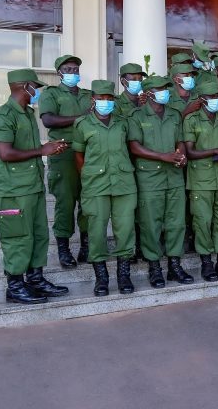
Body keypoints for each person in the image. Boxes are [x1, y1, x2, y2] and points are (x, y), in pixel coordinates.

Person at [0, 69, 70, 304]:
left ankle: (35, 279)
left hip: (32, 186)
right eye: (34, 87)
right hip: (14, 190)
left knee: (38, 235)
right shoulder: (3, 116)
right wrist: (42, 150)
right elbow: (4, 153)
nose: (37, 92)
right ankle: (15, 286)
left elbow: (27, 148)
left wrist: (49, 146)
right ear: (23, 86)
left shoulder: (26, 114)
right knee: (18, 237)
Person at [127, 76, 194, 288]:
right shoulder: (136, 116)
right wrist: (162, 156)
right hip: (150, 178)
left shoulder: (174, 115)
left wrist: (181, 155)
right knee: (151, 224)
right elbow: (134, 147)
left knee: (176, 223)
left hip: (173, 177)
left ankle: (175, 265)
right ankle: (154, 267)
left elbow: (180, 141)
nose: (165, 91)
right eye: (160, 89)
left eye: (166, 88)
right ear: (149, 93)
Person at [73, 80, 137, 297]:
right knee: (97, 232)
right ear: (93, 99)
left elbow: (130, 148)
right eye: (101, 98)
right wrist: (88, 177)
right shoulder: (83, 124)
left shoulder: (123, 123)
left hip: (124, 184)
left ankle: (123, 275)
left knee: (125, 229)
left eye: (109, 98)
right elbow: (79, 155)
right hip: (95, 185)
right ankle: (101, 278)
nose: (105, 102)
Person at [38, 55, 92, 268]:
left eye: (76, 69)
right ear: (59, 73)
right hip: (63, 152)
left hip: (88, 152)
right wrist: (81, 117)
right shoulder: (51, 94)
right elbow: (48, 119)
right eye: (68, 69)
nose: (72, 73)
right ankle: (64, 248)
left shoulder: (89, 95)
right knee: (66, 202)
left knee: (88, 199)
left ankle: (86, 245)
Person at [182, 80, 218, 282]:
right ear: (202, 99)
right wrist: (216, 151)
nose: (215, 100)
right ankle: (207, 262)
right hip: (200, 180)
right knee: (202, 222)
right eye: (211, 97)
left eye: (217, 96)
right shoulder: (191, 120)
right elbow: (190, 151)